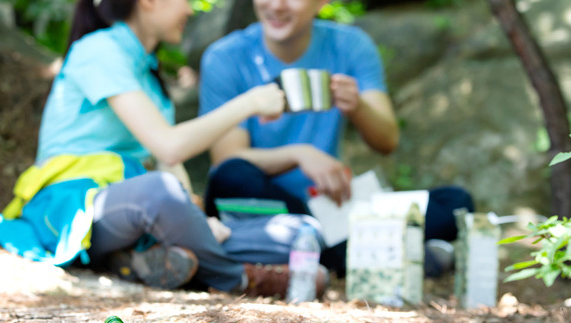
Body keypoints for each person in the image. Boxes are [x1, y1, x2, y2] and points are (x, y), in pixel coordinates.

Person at [0, 0, 327, 298]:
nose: (190, 10)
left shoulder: (148, 75)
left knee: (301, 231)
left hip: (137, 209)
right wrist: (250, 102)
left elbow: (166, 161)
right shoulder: (99, 50)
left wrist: (197, 217)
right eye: (184, 0)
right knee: (158, 193)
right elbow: (169, 146)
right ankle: (238, 278)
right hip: (74, 205)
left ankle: (142, 260)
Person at [198, 0, 474, 277]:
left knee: (455, 202)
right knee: (230, 177)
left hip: (333, 208)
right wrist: (299, 154)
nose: (276, 5)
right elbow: (228, 159)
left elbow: (387, 141)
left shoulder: (350, 45)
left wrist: (358, 107)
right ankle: (374, 254)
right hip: (267, 210)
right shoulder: (226, 57)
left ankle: (341, 253)